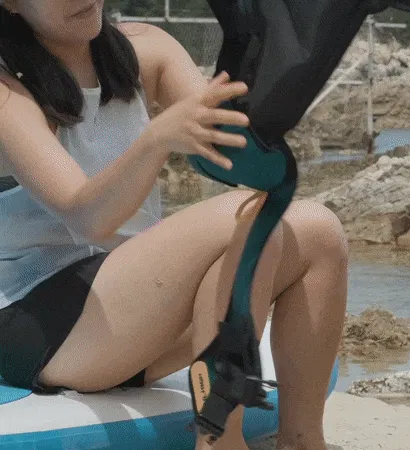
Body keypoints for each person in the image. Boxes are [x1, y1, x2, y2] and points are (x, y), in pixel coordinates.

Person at [0, 1, 348, 449]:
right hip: (37, 324)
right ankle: (219, 442)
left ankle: (303, 441)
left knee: (319, 230)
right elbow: (88, 217)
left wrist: (266, 62)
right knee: (241, 218)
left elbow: (235, 156)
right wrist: (158, 137)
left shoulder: (149, 48)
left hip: (133, 311)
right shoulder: (7, 90)